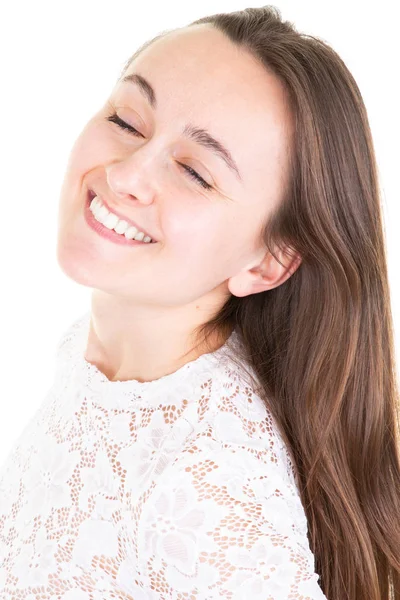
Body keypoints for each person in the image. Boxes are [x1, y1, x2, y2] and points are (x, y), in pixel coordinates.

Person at [0, 5, 399, 599]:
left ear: (267, 262)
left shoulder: (207, 481)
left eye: (194, 171)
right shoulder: (104, 357)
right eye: (128, 121)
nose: (127, 174)